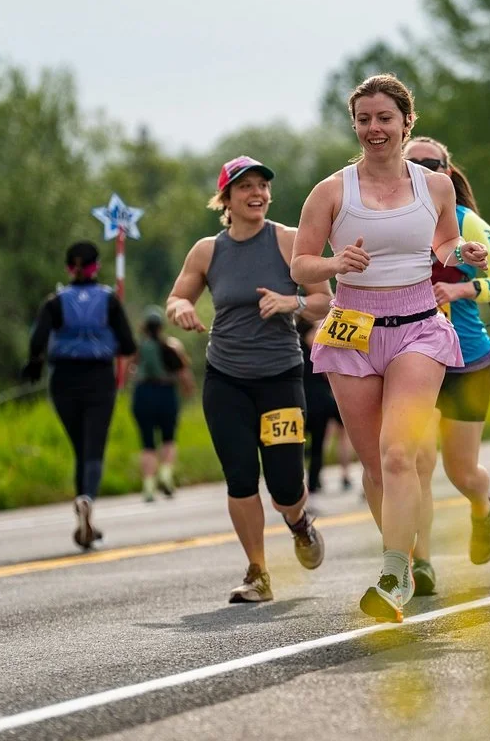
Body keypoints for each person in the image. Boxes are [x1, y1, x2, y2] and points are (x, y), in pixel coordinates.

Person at [290, 75, 490, 623]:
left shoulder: (435, 187)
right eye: (364, 119)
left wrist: (463, 251)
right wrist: (334, 265)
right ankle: (400, 557)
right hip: (353, 327)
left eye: (384, 118)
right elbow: (301, 263)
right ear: (355, 125)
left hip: (419, 326)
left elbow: (443, 242)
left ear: (407, 121)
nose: (374, 129)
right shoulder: (331, 191)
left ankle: (393, 573)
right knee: (378, 466)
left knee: (400, 452)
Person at [167, 155, 332, 603]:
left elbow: (324, 300)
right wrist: (181, 308)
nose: (256, 194)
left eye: (262, 186)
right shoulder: (208, 250)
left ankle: (299, 524)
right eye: (245, 187)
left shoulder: (288, 241)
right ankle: (258, 571)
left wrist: (290, 303)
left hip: (280, 376)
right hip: (226, 379)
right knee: (240, 476)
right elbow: (178, 296)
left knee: (284, 487)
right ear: (226, 198)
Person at [404, 136, 490, 595]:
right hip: (413, 357)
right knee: (417, 462)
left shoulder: (468, 222)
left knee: (460, 471)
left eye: (434, 165)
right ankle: (422, 561)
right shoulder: (389, 219)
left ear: (448, 174)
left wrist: (462, 290)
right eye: (416, 165)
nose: (426, 172)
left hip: (467, 359)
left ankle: (482, 505)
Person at [22, 241, 137, 549]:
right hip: (99, 378)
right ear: (96, 266)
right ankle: (87, 499)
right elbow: (127, 344)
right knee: (94, 448)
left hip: (64, 380)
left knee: (79, 448)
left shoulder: (54, 302)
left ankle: (82, 507)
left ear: (68, 268)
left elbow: (37, 340)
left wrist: (34, 364)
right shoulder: (109, 299)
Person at [131, 306, 193, 502]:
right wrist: (188, 390)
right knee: (168, 438)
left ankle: (148, 486)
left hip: (143, 394)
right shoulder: (172, 345)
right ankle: (165, 475)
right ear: (161, 326)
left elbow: (126, 371)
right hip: (166, 393)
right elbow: (184, 373)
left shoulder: (138, 347)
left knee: (147, 443)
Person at [298, 319, 353, 494]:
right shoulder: (316, 352)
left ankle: (317, 481)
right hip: (317, 404)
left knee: (320, 444)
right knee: (323, 443)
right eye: (315, 331)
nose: (318, 335)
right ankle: (326, 479)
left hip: (309, 404)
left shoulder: (297, 351)